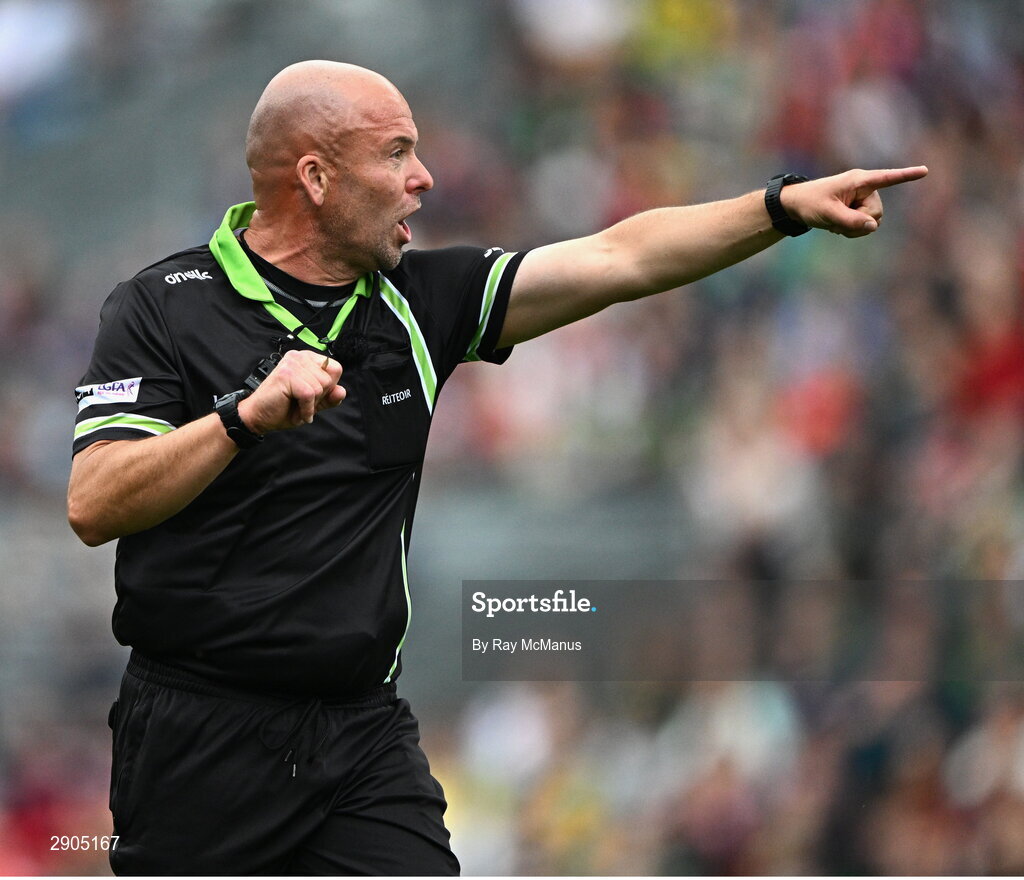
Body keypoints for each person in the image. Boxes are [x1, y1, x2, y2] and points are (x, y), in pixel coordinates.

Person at [66, 59, 927, 875]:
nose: (426, 176)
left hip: (359, 737)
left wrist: (779, 207)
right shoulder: (161, 307)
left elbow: (619, 257)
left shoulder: (422, 302)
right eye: (396, 151)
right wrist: (241, 419)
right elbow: (95, 501)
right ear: (316, 178)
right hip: (197, 742)